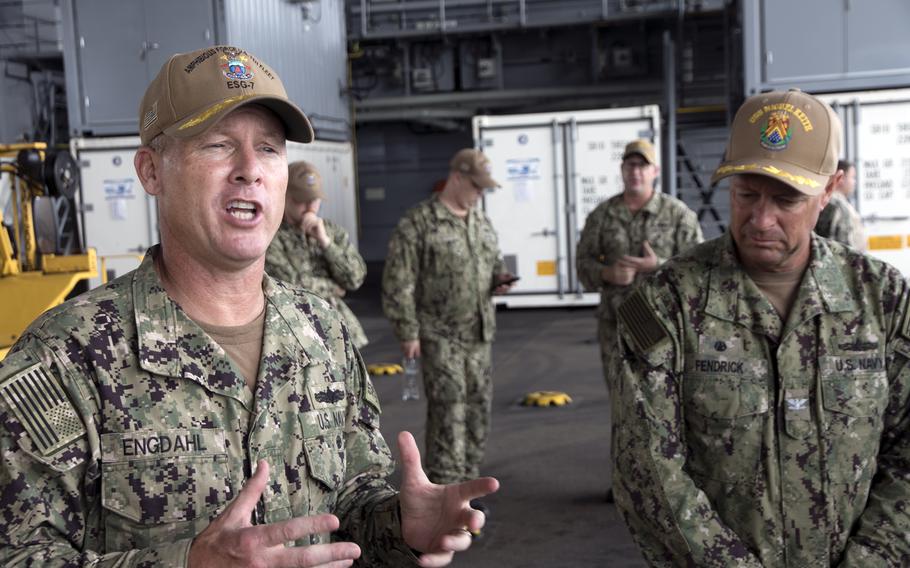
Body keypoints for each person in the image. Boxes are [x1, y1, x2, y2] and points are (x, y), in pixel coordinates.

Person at [0, 45, 498, 567]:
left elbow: (349, 502)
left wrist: (399, 525)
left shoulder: (322, 332)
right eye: (217, 146)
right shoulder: (65, 356)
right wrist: (187, 564)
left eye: (269, 149)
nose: (249, 170)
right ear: (151, 172)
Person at [614, 89, 910, 566]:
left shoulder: (883, 299)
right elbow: (646, 470)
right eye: (746, 194)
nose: (760, 219)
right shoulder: (667, 302)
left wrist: (874, 558)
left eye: (787, 199)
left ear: (829, 190)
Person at [381, 148, 514, 499]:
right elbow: (399, 282)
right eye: (476, 186)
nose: (480, 194)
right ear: (456, 178)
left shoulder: (480, 222)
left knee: (477, 409)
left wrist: (498, 279)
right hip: (440, 334)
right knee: (449, 411)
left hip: (480, 334)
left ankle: (469, 485)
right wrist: (407, 331)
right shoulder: (420, 222)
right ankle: (444, 490)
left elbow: (492, 262)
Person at [575, 138, 703, 501]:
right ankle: (625, 484)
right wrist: (607, 274)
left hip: (663, 331)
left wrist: (658, 267)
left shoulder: (678, 215)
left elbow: (700, 272)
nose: (636, 171)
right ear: (622, 170)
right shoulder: (602, 216)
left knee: (667, 405)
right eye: (630, 165)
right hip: (616, 329)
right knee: (622, 404)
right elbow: (582, 266)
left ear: (655, 171)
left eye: (642, 165)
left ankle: (669, 486)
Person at [266, 160, 368, 348]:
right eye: (301, 200)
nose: (309, 207)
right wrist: (333, 288)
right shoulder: (271, 235)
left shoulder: (331, 231)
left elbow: (355, 278)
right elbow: (289, 285)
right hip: (293, 333)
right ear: (284, 196)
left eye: (314, 200)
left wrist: (326, 243)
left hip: (338, 331)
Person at [815, 159, 866, 250]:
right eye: (852, 177)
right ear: (841, 179)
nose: (854, 182)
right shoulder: (835, 205)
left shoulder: (835, 202)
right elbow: (840, 243)